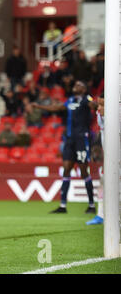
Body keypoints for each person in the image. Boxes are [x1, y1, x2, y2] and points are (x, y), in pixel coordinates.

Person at [32, 81, 97, 214]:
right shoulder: (71, 100)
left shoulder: (86, 99)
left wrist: (94, 103)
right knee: (66, 170)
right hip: (69, 139)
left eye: (79, 85)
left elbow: (93, 106)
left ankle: (91, 205)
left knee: (84, 171)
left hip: (81, 139)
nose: (76, 85)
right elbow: (57, 108)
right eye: (76, 84)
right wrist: (39, 106)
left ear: (84, 89)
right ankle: (62, 206)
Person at [86, 95, 104, 225]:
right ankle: (101, 215)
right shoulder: (100, 115)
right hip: (110, 158)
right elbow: (101, 132)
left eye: (102, 105)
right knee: (103, 185)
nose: (99, 108)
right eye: (98, 105)